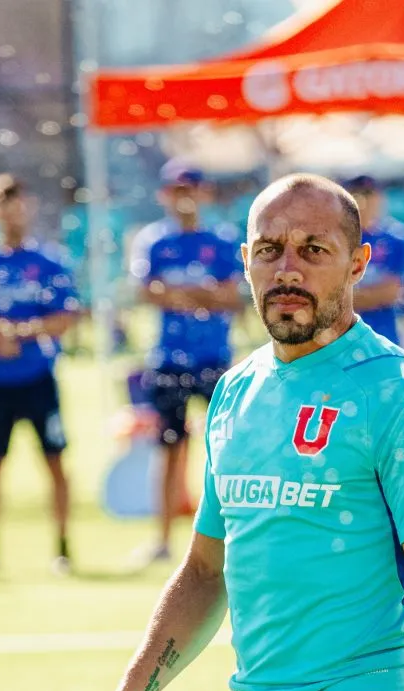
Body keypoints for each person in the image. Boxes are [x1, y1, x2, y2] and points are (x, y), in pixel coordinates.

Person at [88, 175, 404, 691]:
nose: (288, 269)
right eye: (270, 249)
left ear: (358, 263)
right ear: (245, 261)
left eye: (313, 250)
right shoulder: (234, 392)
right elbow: (204, 571)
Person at [0, 174, 80, 576]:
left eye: (17, 203)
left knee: (55, 463)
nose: (11, 212)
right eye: (1, 204)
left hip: (39, 379)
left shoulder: (49, 262)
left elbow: (65, 318)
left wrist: (21, 333)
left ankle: (63, 548)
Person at [129, 159, 243, 563]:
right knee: (170, 448)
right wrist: (202, 293)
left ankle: (230, 537)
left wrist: (183, 293)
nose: (186, 199)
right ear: (165, 195)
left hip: (214, 360)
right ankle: (161, 540)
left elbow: (231, 296)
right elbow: (148, 291)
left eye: (192, 190)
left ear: (205, 193)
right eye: (178, 191)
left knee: (226, 451)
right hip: (169, 361)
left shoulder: (223, 239)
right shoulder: (154, 240)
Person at [343, 174, 404, 344]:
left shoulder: (396, 238)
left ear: (380, 198)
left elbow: (391, 292)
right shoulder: (337, 238)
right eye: (356, 193)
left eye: (368, 193)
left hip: (384, 339)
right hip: (343, 339)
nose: (362, 201)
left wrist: (343, 298)